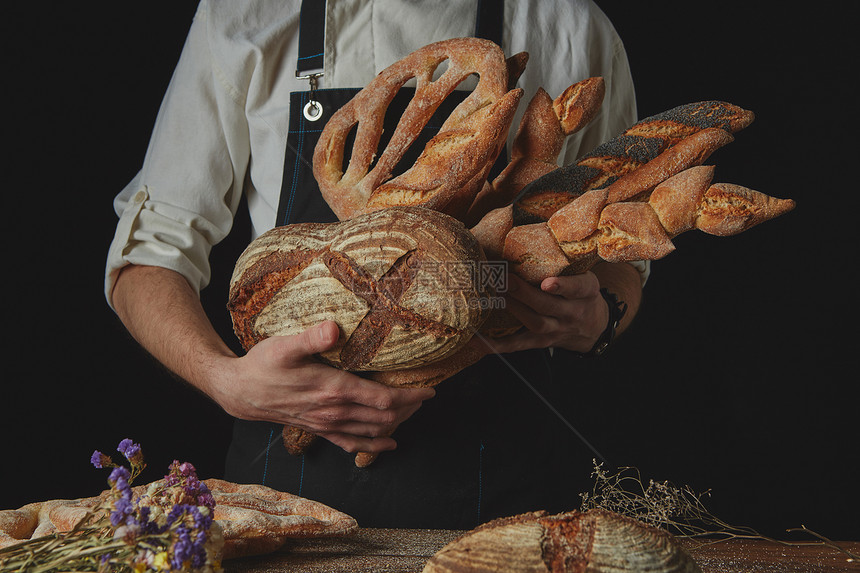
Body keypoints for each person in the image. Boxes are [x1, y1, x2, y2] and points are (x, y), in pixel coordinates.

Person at [105, 0, 646, 529]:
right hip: (282, 503)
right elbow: (148, 254)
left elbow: (625, 243)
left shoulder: (571, 25)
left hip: (503, 502)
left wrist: (602, 315)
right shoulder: (244, 15)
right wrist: (225, 380)